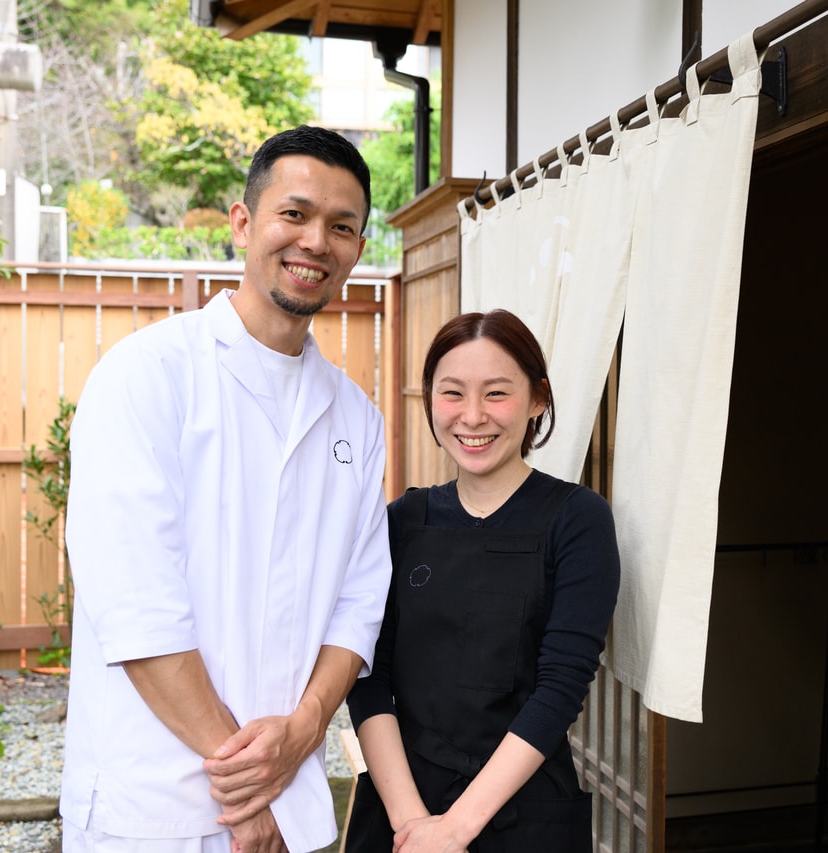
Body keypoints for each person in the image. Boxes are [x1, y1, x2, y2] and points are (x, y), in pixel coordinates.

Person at [59, 125, 392, 853]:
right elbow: (137, 605)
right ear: (244, 223)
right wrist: (245, 796)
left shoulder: (358, 421)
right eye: (294, 214)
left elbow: (359, 605)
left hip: (291, 797)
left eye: (342, 227)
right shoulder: (147, 374)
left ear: (358, 249)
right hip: (156, 807)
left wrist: (303, 730)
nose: (316, 242)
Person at [345, 310, 621, 852]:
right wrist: (414, 825)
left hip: (523, 808)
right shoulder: (402, 520)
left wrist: (455, 829)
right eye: (452, 394)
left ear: (538, 398)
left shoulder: (577, 519)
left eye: (496, 393)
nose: (472, 417)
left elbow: (560, 690)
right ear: (430, 400)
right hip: (402, 805)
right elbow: (365, 675)